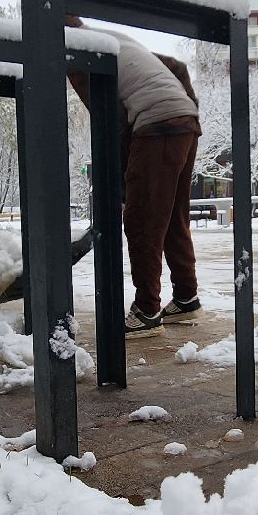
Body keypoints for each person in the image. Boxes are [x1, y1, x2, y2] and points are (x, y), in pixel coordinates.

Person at [65, 20, 202, 336]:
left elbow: (109, 118)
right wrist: (186, 110)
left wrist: (120, 178)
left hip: (157, 127)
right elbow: (177, 66)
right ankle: (185, 297)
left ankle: (147, 310)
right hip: (184, 123)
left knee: (142, 221)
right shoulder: (113, 39)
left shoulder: (77, 54)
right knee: (171, 217)